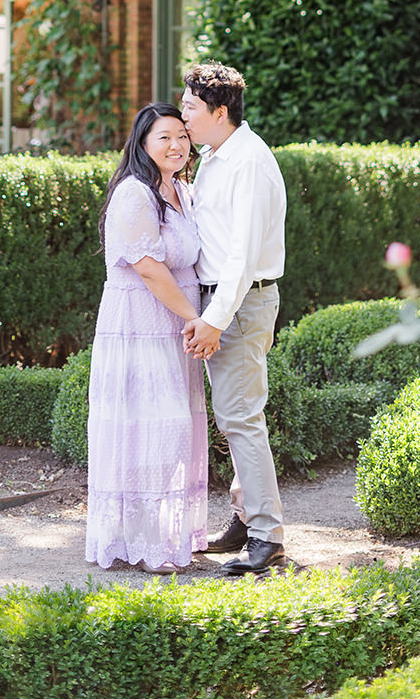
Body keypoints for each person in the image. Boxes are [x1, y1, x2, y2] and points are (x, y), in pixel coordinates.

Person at [85, 102, 211, 574]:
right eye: (165, 137)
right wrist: (193, 319)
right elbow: (149, 268)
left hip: (175, 325)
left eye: (182, 135)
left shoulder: (183, 190)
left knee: (176, 427)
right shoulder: (134, 194)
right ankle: (145, 542)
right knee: (155, 427)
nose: (177, 145)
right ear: (142, 144)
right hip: (142, 322)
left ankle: (168, 535)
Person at [181, 62, 287, 575]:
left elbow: (242, 257)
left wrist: (215, 319)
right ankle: (246, 520)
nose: (183, 114)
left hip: (240, 303)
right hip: (222, 301)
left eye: (190, 107)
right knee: (237, 417)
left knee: (242, 419)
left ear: (219, 113)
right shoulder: (215, 155)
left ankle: (267, 536)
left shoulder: (249, 161)